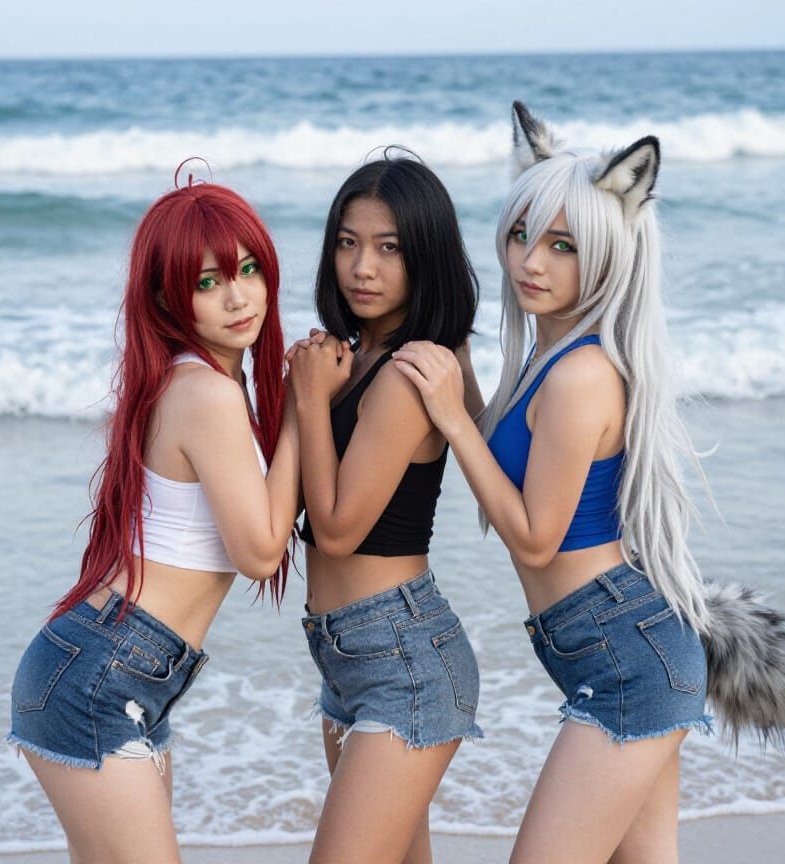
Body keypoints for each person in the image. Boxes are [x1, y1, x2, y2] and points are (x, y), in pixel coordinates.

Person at [394, 103, 785, 864]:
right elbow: (506, 485)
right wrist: (467, 386)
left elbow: (536, 537)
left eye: (562, 246)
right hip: (617, 649)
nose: (530, 262)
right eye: (520, 235)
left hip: (623, 661)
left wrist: (448, 418)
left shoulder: (580, 375)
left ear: (611, 248)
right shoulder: (549, 361)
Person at [7, 179, 300, 864]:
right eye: (209, 282)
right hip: (104, 676)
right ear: (168, 296)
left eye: (249, 269)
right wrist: (301, 411)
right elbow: (260, 552)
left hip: (116, 669)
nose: (239, 297)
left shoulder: (185, 381)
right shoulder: (203, 392)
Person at [285, 154, 481, 864]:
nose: (362, 266)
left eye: (388, 248)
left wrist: (308, 398)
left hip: (403, 656)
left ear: (424, 254)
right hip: (349, 656)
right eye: (347, 242)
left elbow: (336, 530)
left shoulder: (409, 369)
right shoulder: (357, 355)